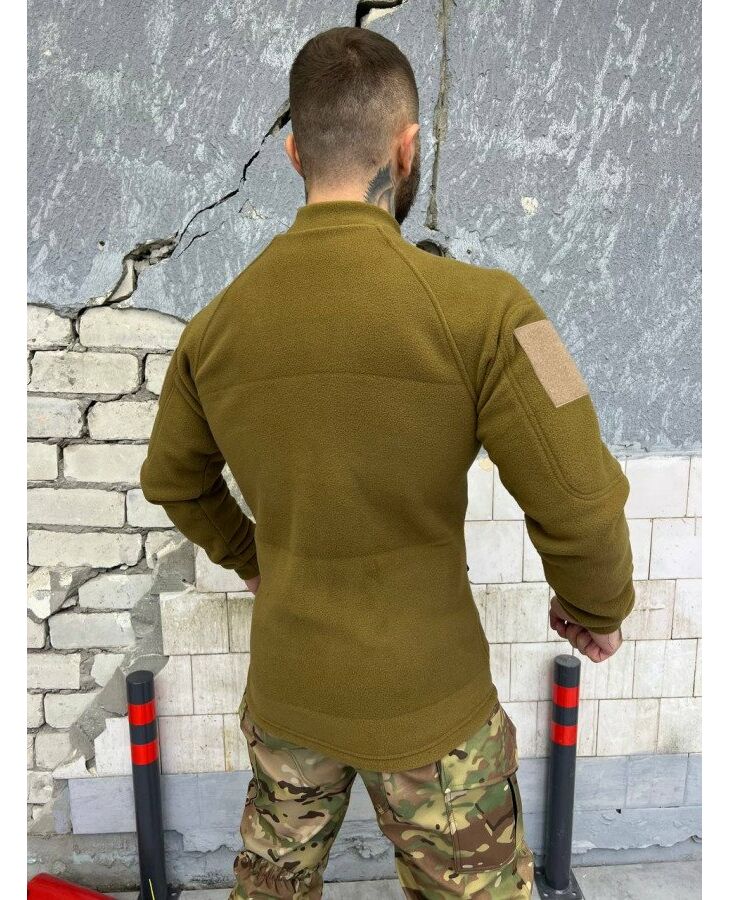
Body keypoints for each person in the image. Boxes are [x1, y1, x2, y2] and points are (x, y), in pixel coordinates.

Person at [140, 24, 634, 900]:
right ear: (408, 149)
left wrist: (253, 557)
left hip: (290, 698)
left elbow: (171, 479)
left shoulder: (212, 329)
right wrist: (596, 605)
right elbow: (583, 494)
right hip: (434, 710)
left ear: (293, 152)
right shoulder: (503, 315)